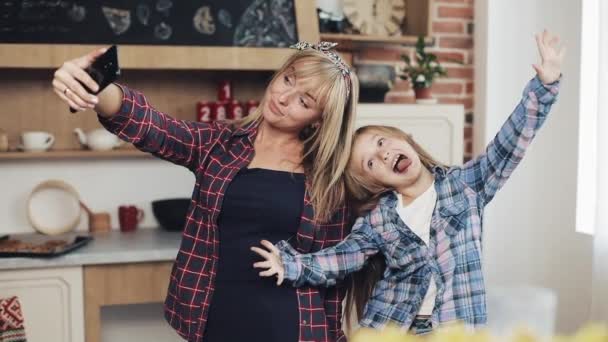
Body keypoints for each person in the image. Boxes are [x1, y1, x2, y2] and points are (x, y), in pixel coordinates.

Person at [251, 30, 564, 335]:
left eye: (383, 142)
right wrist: (291, 265)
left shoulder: (465, 187)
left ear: (405, 140)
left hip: (455, 329)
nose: (384, 155)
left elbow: (508, 145)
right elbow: (342, 257)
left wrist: (544, 87)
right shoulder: (379, 219)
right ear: (374, 183)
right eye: (370, 163)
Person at [51, 41, 359, 342]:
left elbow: (333, 272)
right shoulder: (219, 142)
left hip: (290, 326)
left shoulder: (329, 178)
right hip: (215, 320)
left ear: (320, 121)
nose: (284, 97)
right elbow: (152, 126)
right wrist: (96, 85)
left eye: (304, 101)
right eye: (288, 79)